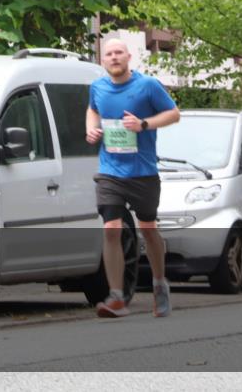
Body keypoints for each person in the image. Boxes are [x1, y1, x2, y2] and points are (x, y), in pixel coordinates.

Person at [85, 38, 181, 318]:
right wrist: (91, 129)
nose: (114, 57)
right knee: (111, 228)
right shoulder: (97, 87)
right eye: (109, 54)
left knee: (148, 229)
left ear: (129, 57)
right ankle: (116, 296)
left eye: (119, 53)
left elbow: (174, 114)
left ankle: (159, 283)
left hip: (143, 172)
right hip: (110, 171)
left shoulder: (147, 86)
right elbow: (93, 109)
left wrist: (144, 124)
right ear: (103, 60)